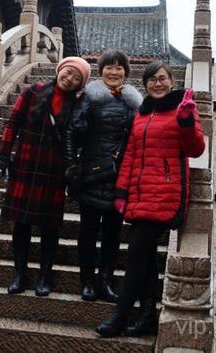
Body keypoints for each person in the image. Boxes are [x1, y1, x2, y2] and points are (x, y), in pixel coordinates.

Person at [96, 60, 205, 337]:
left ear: (171, 81)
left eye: (162, 78)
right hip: (140, 195)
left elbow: (195, 149)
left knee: (136, 255)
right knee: (146, 259)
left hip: (165, 195)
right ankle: (147, 316)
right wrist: (122, 192)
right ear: (145, 84)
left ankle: (120, 316)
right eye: (152, 79)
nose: (158, 83)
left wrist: (186, 120)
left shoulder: (182, 108)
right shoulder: (142, 113)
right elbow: (130, 156)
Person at [0, 55, 91, 297]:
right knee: (21, 223)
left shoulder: (78, 105)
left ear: (80, 85)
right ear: (60, 70)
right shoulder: (33, 91)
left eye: (77, 78)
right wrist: (4, 154)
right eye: (68, 72)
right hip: (26, 164)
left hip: (54, 171)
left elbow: (79, 139)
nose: (69, 78)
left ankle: (44, 276)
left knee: (50, 227)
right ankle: (20, 274)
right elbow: (12, 123)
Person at [64, 49, 142, 303]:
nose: (113, 72)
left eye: (119, 68)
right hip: (91, 174)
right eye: (109, 67)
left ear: (126, 73)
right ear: (101, 71)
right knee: (87, 232)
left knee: (112, 233)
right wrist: (71, 165)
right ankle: (87, 281)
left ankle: (106, 281)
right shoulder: (89, 97)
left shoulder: (134, 102)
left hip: (120, 176)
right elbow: (72, 132)